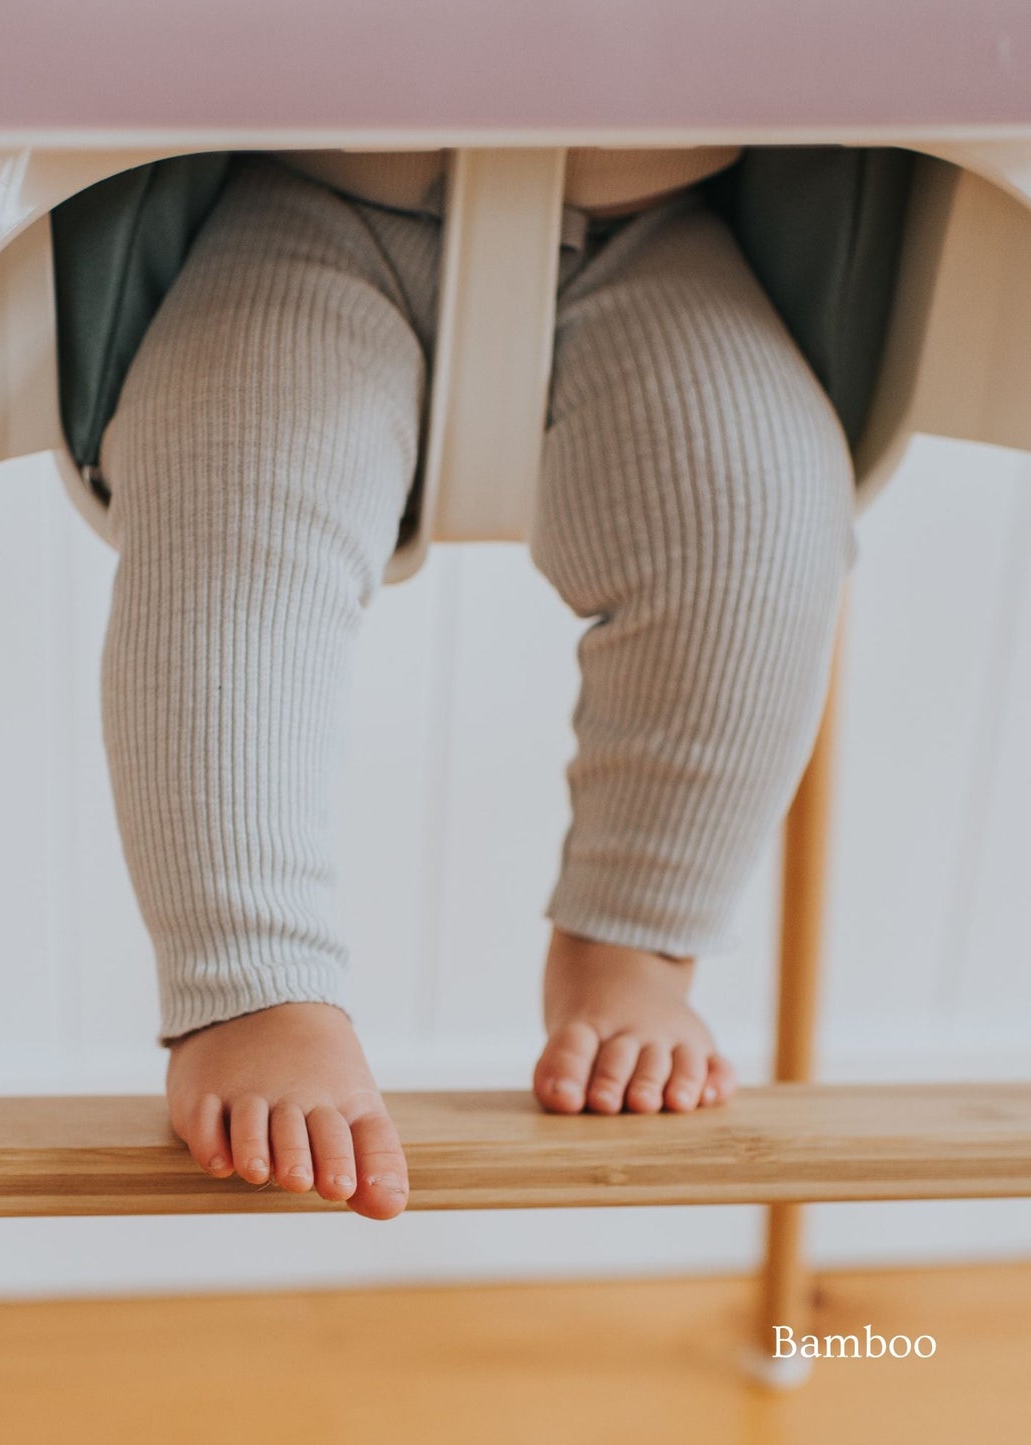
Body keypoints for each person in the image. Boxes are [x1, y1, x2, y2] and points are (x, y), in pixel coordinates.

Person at [94, 146, 856, 1221]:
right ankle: (250, 974)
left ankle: (635, 940)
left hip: (652, 214)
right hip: (309, 190)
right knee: (229, 502)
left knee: (759, 515)